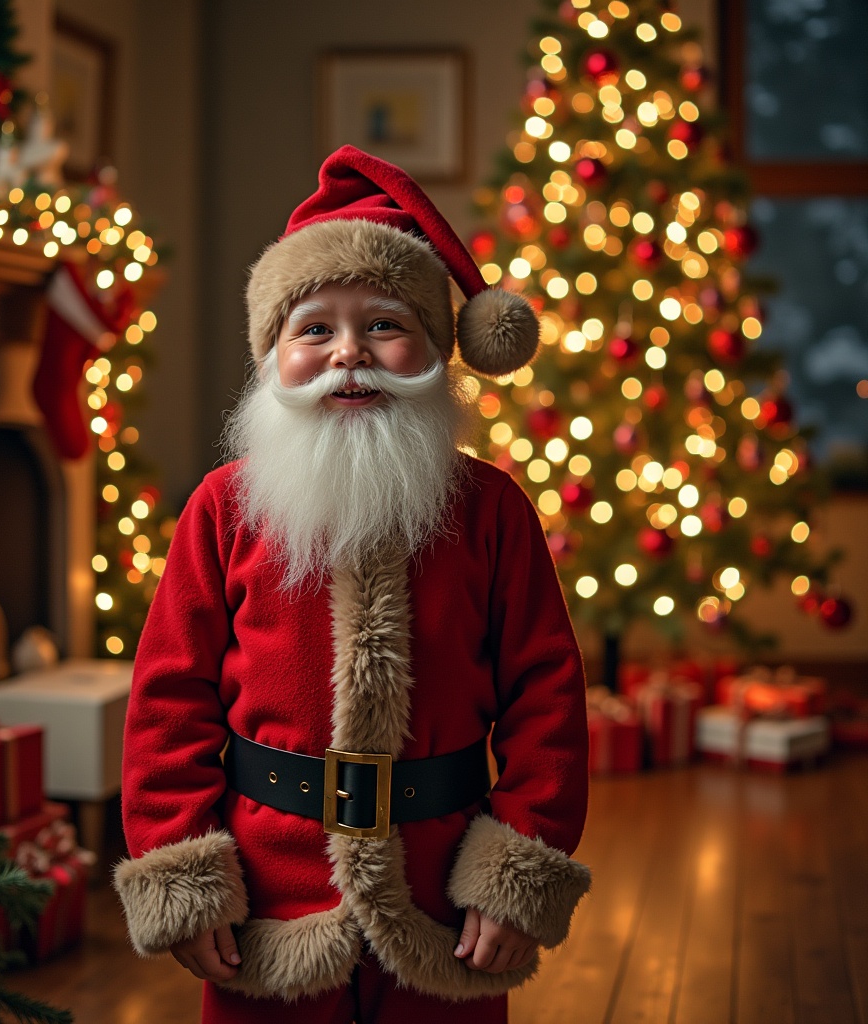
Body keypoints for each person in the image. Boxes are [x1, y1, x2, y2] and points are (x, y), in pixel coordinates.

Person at [115, 145, 591, 1024]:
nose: (348, 354)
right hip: (270, 901)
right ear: (272, 354)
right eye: (314, 329)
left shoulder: (490, 510)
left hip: (444, 896)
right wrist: (182, 869)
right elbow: (168, 700)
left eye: (382, 323)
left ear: (435, 350)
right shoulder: (224, 508)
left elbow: (545, 698)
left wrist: (517, 872)